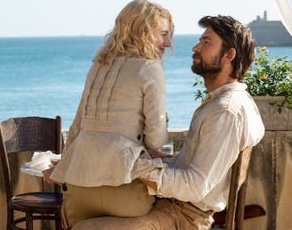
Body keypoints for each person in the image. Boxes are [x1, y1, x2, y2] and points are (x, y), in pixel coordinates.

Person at [70, 15, 265, 230]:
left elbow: (195, 186)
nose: (195, 47)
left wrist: (135, 166)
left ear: (229, 55)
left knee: (84, 227)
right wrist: (158, 160)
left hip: (184, 217)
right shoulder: (224, 103)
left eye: (206, 42)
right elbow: (194, 167)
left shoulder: (226, 112)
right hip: (175, 207)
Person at [43, 0, 174, 229]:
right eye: (163, 34)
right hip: (124, 190)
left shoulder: (98, 65)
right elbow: (155, 138)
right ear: (143, 31)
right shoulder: (149, 68)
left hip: (80, 190)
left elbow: (77, 126)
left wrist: (64, 165)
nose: (168, 42)